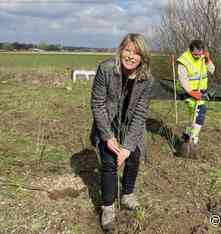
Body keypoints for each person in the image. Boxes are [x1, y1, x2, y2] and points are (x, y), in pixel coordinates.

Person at [90, 33, 153, 231]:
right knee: (109, 162)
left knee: (134, 156)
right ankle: (108, 207)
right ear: (120, 50)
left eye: (136, 53)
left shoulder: (147, 79)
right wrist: (108, 136)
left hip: (131, 124)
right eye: (127, 50)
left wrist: (127, 147)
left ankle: (127, 194)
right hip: (108, 122)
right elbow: (98, 104)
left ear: (142, 57)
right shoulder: (106, 69)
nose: (131, 56)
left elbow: (141, 113)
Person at [176, 40, 215, 153]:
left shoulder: (203, 57)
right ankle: (193, 139)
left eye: (200, 54)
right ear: (190, 50)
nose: (198, 56)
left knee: (193, 116)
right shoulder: (184, 60)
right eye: (195, 54)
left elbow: (212, 70)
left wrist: (207, 59)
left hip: (201, 92)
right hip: (188, 93)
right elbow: (183, 80)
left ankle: (186, 137)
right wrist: (192, 92)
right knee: (200, 113)